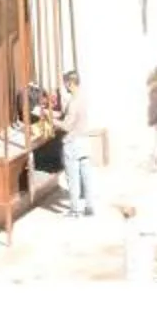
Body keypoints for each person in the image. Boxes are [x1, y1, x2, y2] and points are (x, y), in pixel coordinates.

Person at [54, 71, 93, 217]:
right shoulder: (83, 97)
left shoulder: (73, 102)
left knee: (73, 178)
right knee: (86, 176)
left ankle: (75, 209)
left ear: (70, 83)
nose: (64, 86)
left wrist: (52, 120)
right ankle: (89, 206)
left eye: (65, 83)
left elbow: (66, 126)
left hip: (73, 143)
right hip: (84, 140)